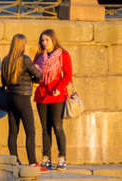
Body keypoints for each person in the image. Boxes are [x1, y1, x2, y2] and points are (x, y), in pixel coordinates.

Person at [1, 33, 44, 169]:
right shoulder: (25, 59)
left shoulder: (6, 60)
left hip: (10, 98)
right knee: (30, 131)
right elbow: (38, 75)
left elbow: (3, 81)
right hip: (23, 98)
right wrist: (35, 77)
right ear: (22, 45)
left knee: (13, 132)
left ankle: (14, 161)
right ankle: (32, 162)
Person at [34, 29, 72, 171]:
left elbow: (67, 75)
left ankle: (62, 158)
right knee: (45, 128)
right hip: (41, 95)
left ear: (53, 40)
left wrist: (58, 87)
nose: (44, 43)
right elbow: (33, 71)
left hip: (57, 95)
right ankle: (46, 158)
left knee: (57, 126)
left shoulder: (63, 54)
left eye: (47, 40)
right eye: (42, 40)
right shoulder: (39, 56)